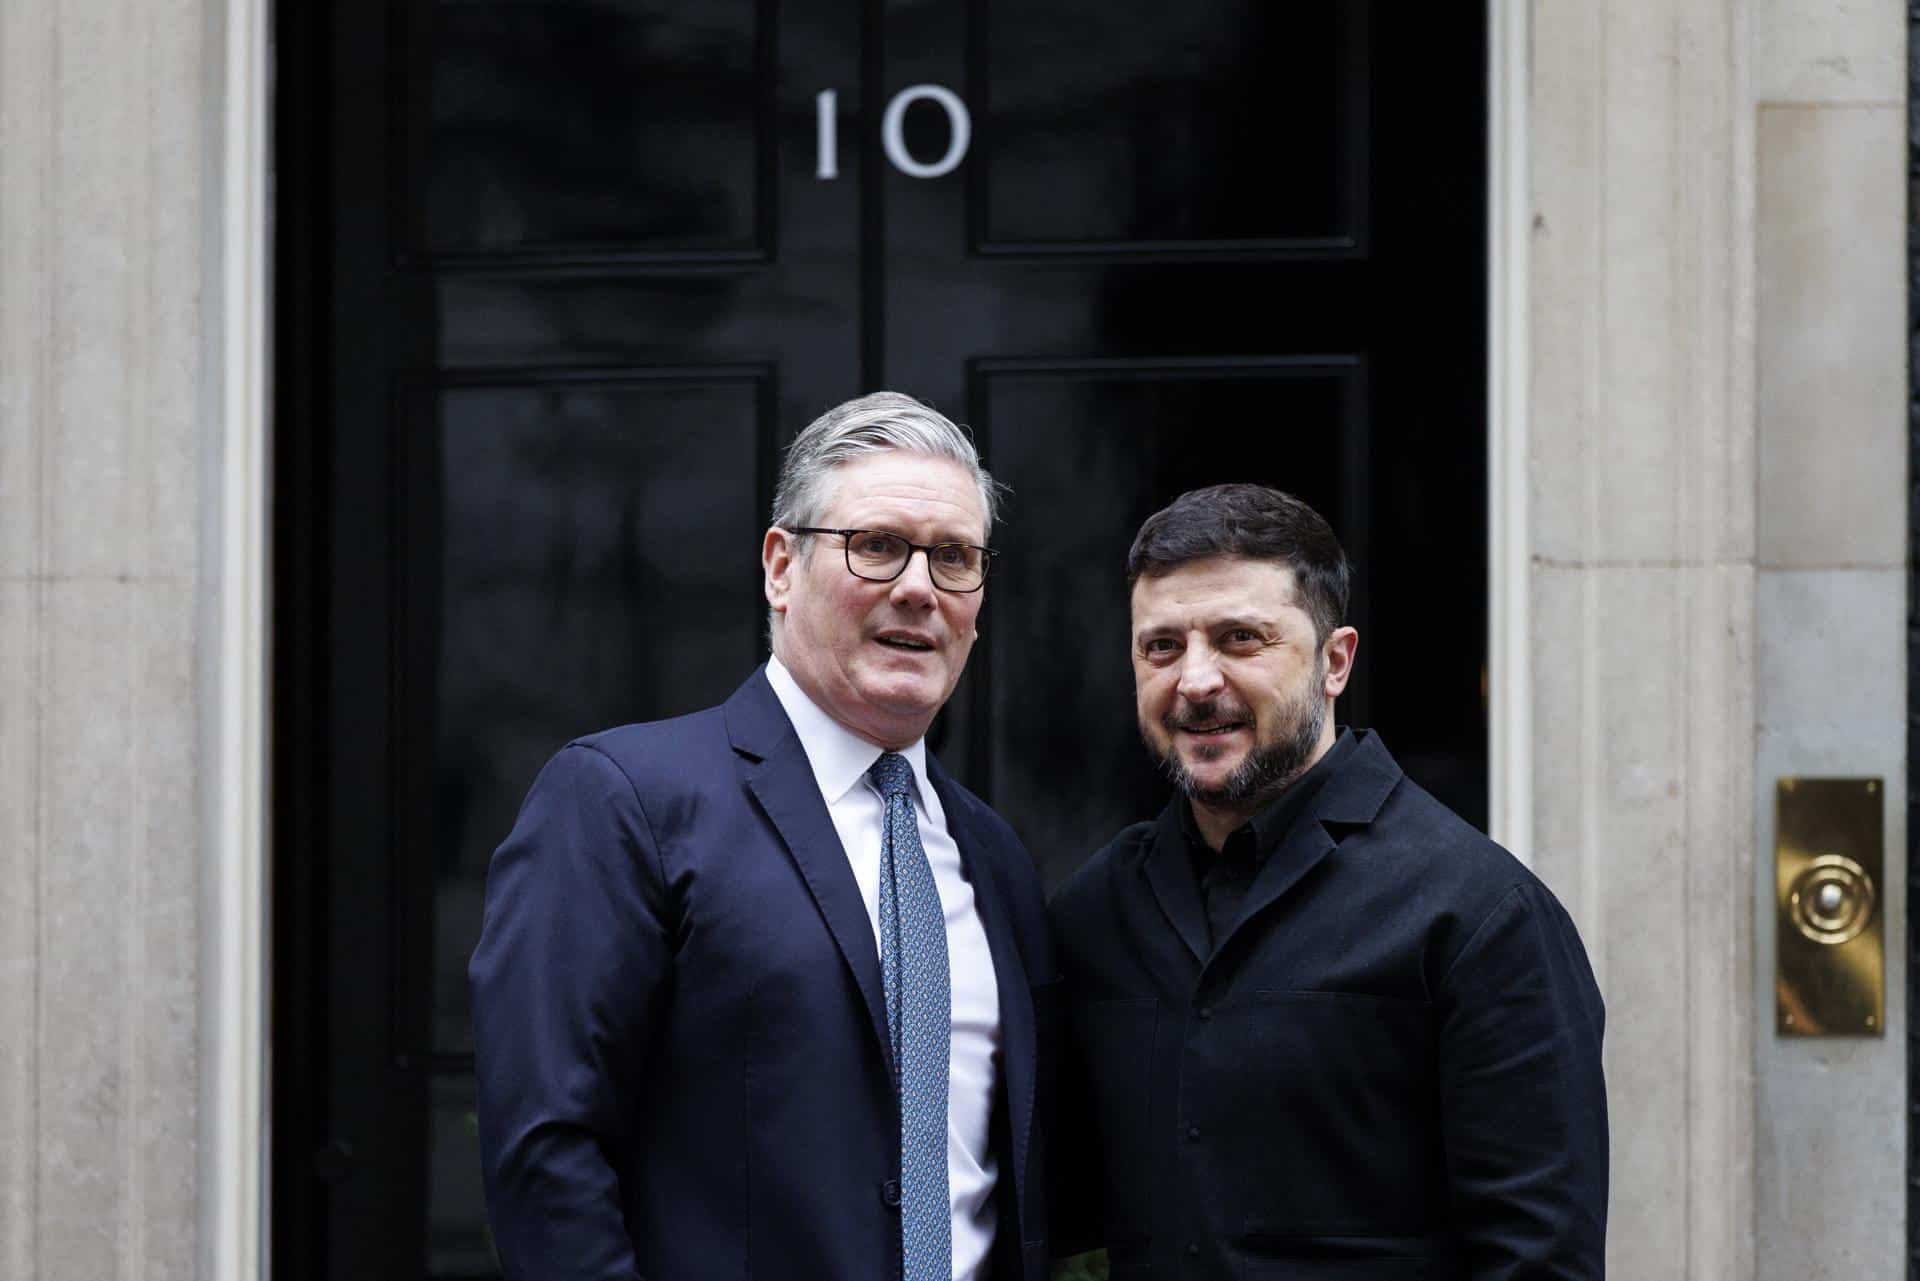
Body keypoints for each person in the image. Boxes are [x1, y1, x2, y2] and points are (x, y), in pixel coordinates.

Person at [470, 392, 1057, 1281]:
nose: (918, 588)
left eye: (953, 557)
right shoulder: (624, 801)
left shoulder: (993, 856)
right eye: (877, 545)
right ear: (781, 567)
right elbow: (547, 1154)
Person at [1050, 484, 1607, 1280]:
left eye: (1240, 638)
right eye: (1162, 646)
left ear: (1335, 661)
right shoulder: (1095, 912)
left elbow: (1539, 1260)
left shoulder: (1482, 914)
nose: (1196, 680)